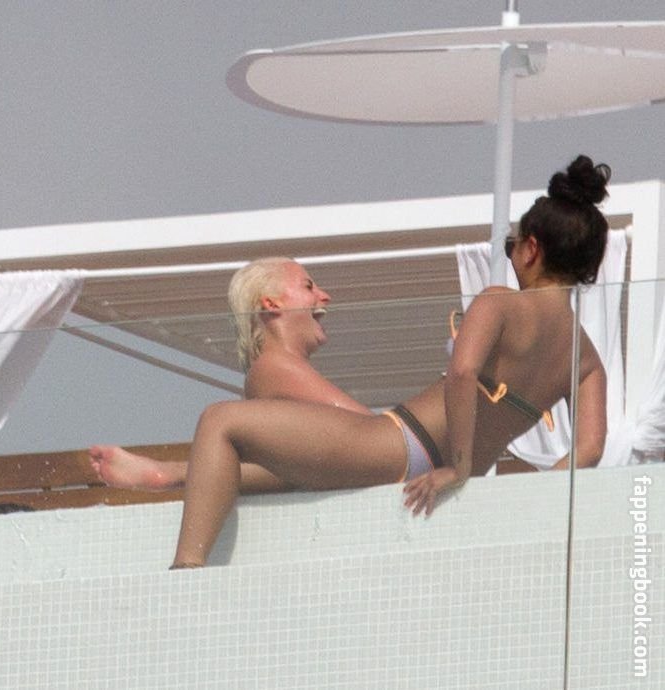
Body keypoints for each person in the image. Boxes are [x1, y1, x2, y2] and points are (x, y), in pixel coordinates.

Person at [133, 155, 609, 569]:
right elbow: (589, 449)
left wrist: (458, 467)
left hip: (402, 443)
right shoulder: (584, 356)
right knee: (276, 456)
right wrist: (525, 499)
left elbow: (463, 374)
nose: (510, 255)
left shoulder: (499, 303)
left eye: (511, 246)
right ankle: (175, 477)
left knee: (220, 421)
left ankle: (186, 571)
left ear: (532, 249)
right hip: (433, 468)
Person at [89, 256, 370, 493]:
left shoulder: (270, 369)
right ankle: (171, 473)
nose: (325, 296)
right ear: (272, 304)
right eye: (308, 286)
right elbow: (373, 433)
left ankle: (170, 473)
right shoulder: (276, 367)